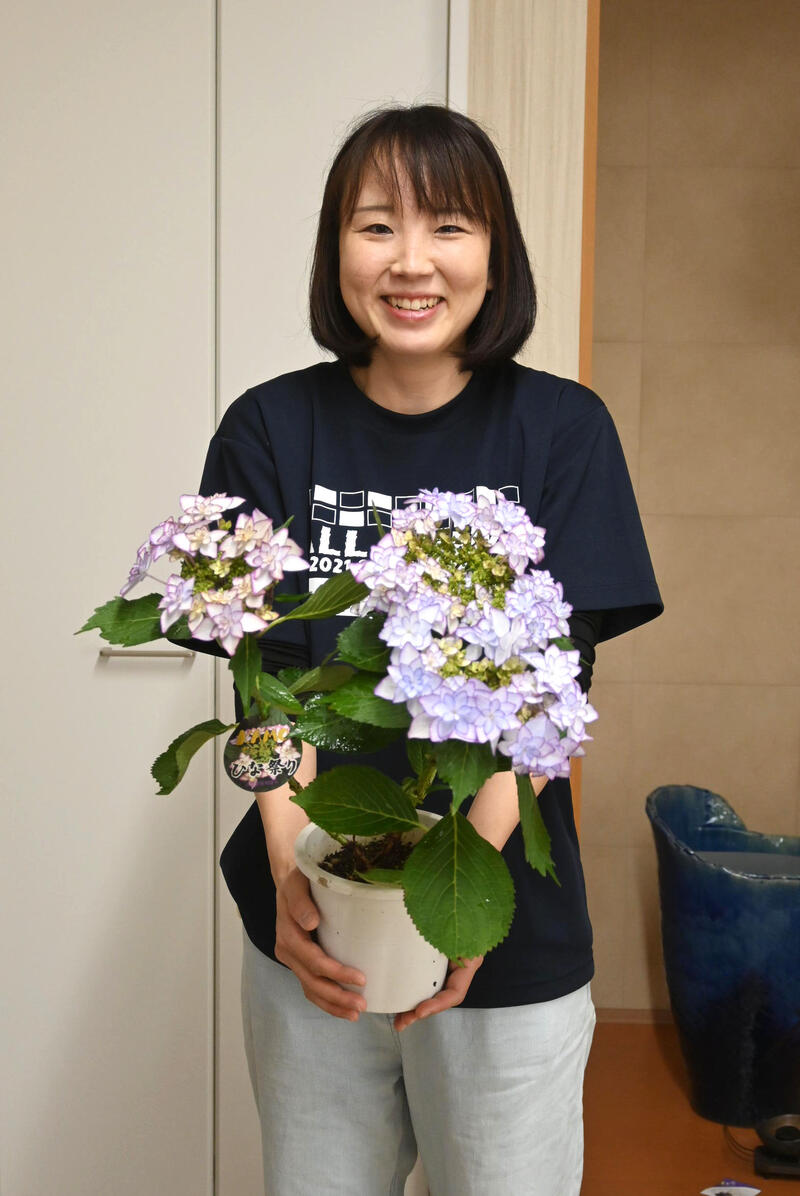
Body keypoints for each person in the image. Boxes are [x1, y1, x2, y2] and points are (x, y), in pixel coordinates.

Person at [198, 104, 662, 1195]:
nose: (410, 261)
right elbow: (255, 677)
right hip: (308, 930)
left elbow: (549, 693)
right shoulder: (269, 428)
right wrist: (289, 863)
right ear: (335, 251)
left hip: (505, 936)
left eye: (447, 225)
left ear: (494, 255)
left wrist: (461, 896)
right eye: (375, 226)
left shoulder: (561, 430)